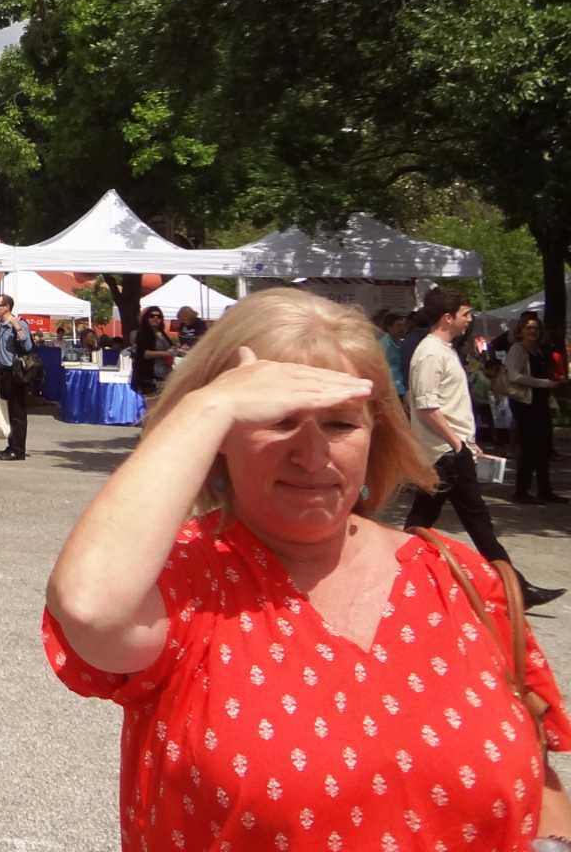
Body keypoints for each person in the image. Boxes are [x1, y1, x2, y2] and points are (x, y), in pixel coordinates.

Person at [45, 287, 571, 852]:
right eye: (279, 421)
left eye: (341, 425)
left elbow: (533, 773)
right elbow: (89, 606)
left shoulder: (457, 576)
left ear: (377, 432)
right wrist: (206, 406)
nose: (314, 455)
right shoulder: (182, 582)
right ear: (218, 440)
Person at [406, 285, 563, 608]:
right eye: (465, 314)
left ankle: (394, 575)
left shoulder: (441, 350)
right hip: (446, 454)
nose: (470, 319)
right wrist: (457, 443)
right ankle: (516, 588)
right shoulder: (431, 353)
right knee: (478, 523)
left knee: (421, 522)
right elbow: (425, 404)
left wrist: (465, 443)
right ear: (447, 318)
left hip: (447, 451)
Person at [506, 313, 563, 504]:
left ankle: (545, 490)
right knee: (528, 449)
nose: (533, 331)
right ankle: (521, 491)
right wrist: (544, 383)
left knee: (543, 448)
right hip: (525, 404)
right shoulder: (517, 349)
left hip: (539, 404)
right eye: (529, 328)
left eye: (536, 328)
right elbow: (514, 376)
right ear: (521, 330)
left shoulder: (538, 350)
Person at [0, 294, 32, 461]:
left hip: (15, 374)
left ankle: (18, 450)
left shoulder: (17, 323)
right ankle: (11, 445)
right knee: (8, 412)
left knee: (17, 413)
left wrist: (17, 327)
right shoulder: (1, 326)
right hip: (3, 372)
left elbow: (27, 346)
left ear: (7, 307)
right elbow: (0, 352)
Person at [128, 305, 173, 400]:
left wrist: (177, 349)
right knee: (152, 408)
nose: (155, 319)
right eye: (152, 316)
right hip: (149, 378)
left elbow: (170, 347)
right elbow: (143, 353)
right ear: (146, 318)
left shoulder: (161, 333)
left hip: (164, 375)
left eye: (158, 316)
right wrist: (166, 353)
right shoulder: (142, 333)